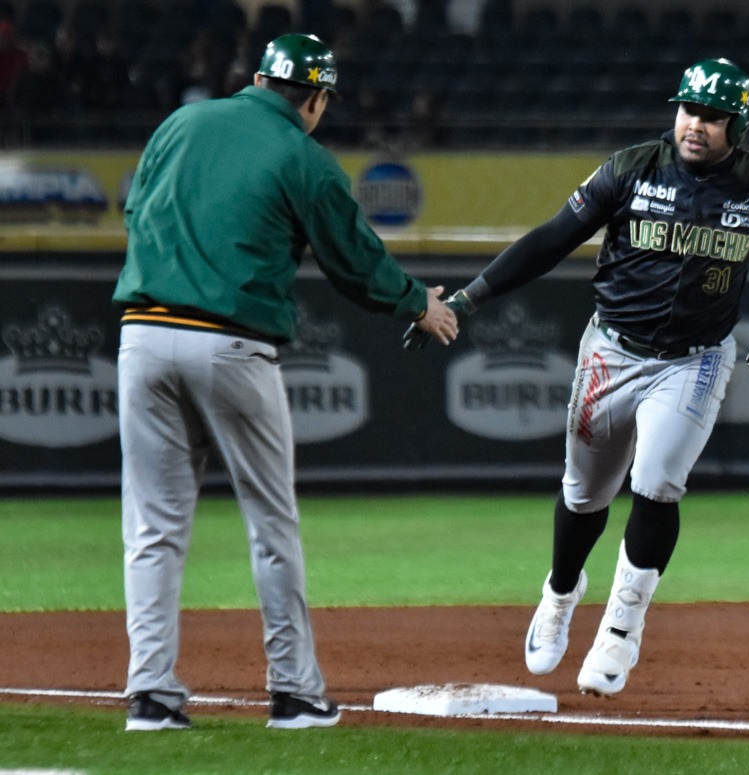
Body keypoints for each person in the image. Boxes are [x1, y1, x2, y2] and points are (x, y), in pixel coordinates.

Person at [407, 58, 749, 695]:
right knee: (584, 495)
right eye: (687, 109)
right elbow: (551, 238)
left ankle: (622, 628)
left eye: (711, 116)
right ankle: (561, 594)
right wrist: (468, 298)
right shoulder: (631, 169)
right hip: (611, 351)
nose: (695, 124)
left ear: (738, 122)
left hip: (696, 358)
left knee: (657, 484)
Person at [114, 33, 458, 731]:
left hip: (141, 337)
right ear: (316, 99)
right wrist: (419, 302)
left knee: (152, 528)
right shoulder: (303, 156)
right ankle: (295, 693)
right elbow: (354, 260)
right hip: (231, 345)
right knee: (271, 524)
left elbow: (134, 211)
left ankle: (151, 694)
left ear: (259, 80)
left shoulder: (180, 124)